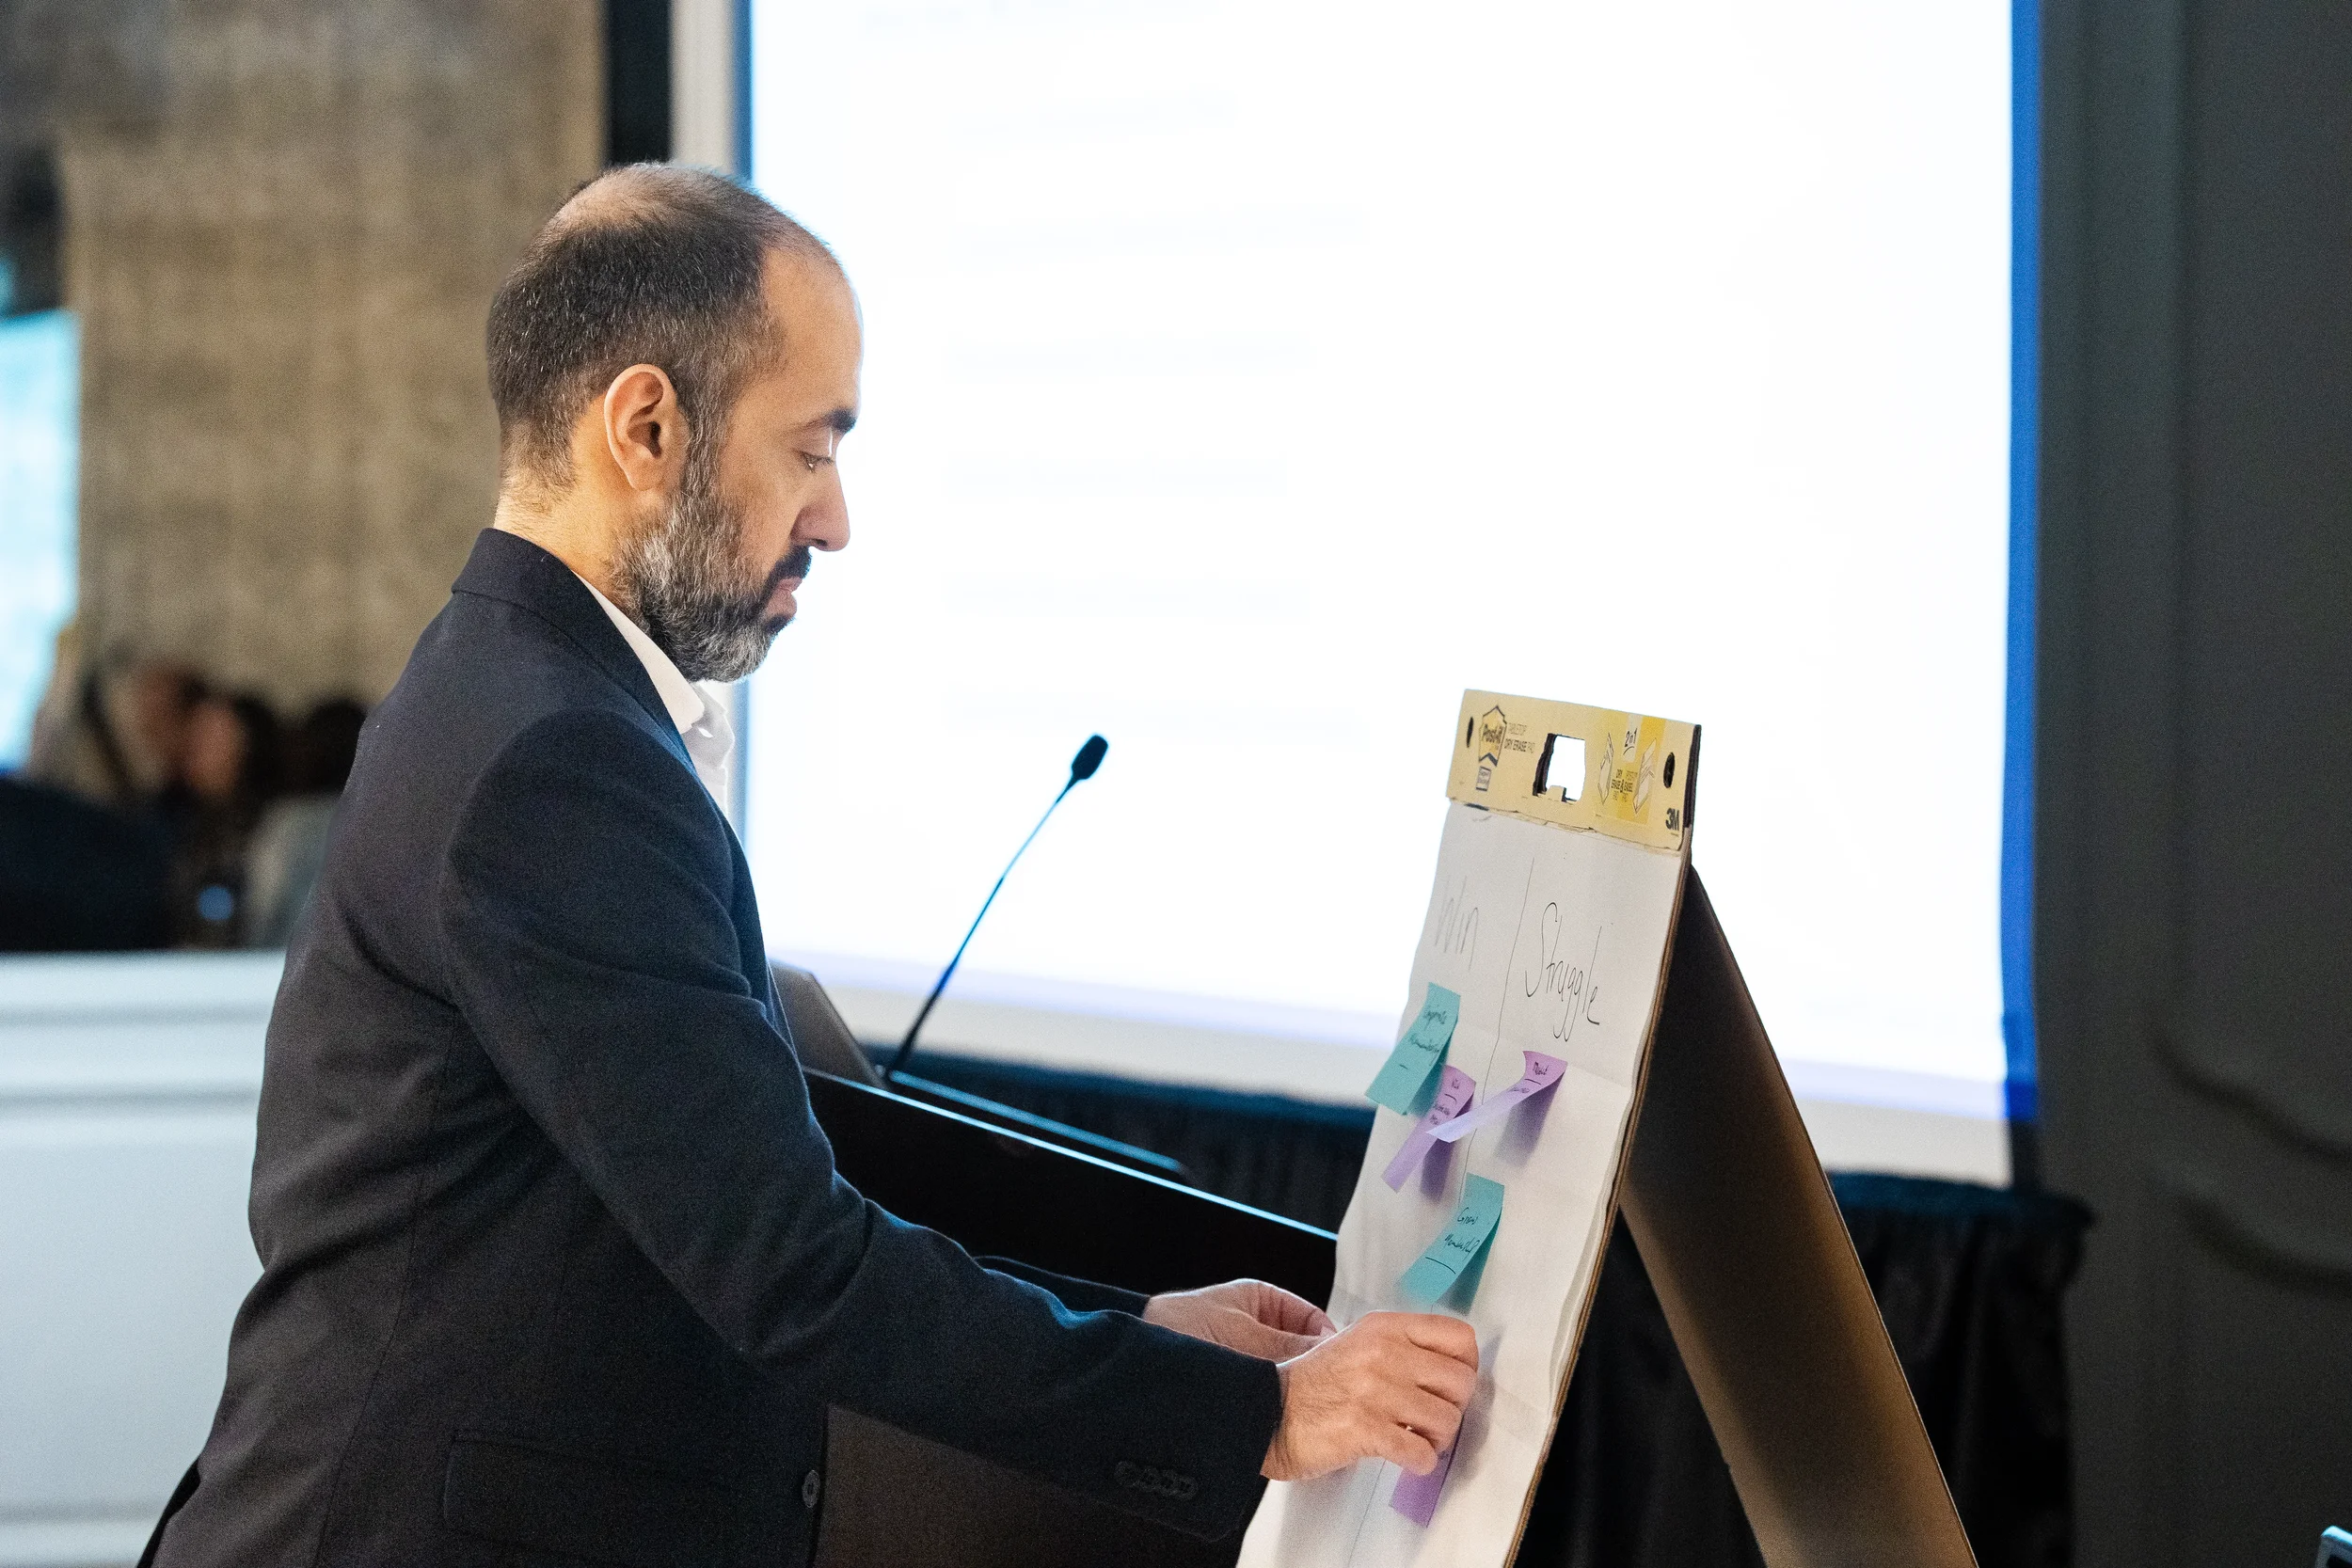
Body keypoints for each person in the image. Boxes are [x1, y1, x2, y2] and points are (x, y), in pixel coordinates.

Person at [144, 166, 1477, 1568]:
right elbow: (789, 1266)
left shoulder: (518, 691)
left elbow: (731, 1203)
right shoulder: (553, 760)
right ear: (647, 426)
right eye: (811, 447)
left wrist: (1135, 1328)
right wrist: (1252, 1416)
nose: (835, 520)